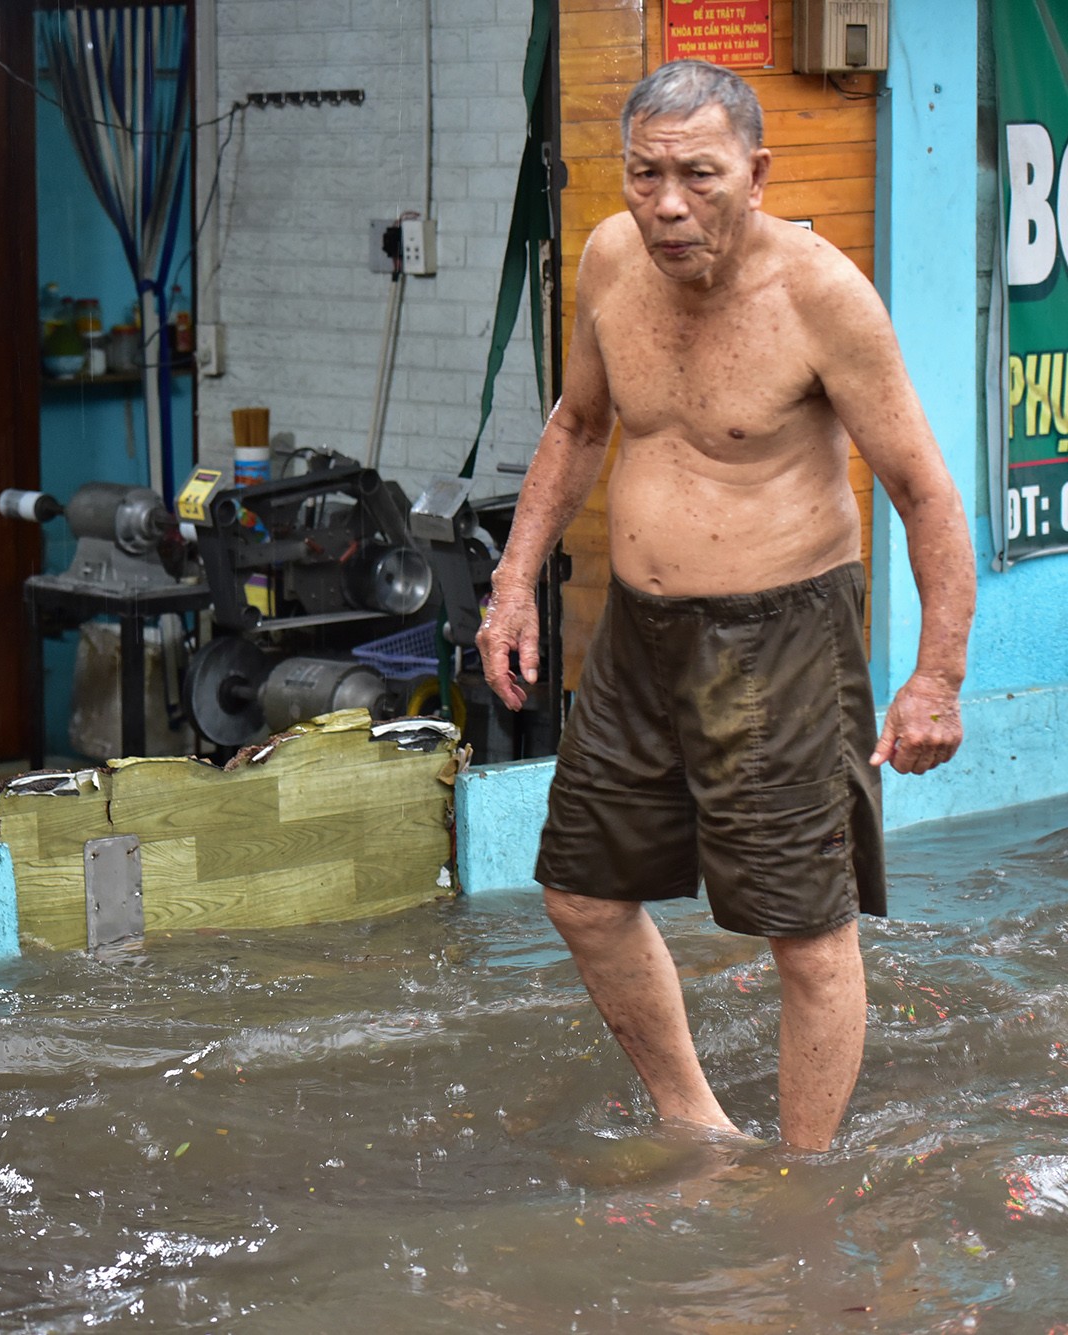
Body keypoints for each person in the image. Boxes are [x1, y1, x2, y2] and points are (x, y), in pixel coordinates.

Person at [476, 60, 975, 1153]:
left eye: (695, 176)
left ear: (753, 172)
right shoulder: (610, 259)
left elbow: (923, 491)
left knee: (804, 932)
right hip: (636, 639)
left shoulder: (820, 296)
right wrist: (512, 582)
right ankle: (695, 1125)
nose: (664, 204)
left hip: (779, 637)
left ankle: (800, 1180)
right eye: (642, 173)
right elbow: (576, 424)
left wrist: (934, 677)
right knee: (579, 894)